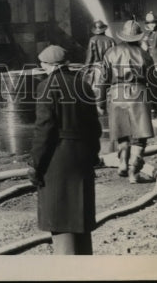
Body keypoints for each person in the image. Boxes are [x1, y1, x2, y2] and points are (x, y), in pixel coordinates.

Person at [29, 44, 102, 255]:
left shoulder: (46, 86)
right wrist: (92, 155)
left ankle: (66, 267)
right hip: (82, 158)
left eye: (42, 65)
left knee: (61, 218)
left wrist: (35, 163)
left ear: (47, 65)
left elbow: (44, 129)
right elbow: (95, 128)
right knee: (81, 219)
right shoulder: (83, 85)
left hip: (57, 160)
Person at [96, 19, 155, 183]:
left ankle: (122, 161)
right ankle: (134, 170)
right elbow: (153, 80)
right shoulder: (145, 55)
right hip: (139, 94)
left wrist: (100, 101)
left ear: (122, 35)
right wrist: (156, 102)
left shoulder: (111, 53)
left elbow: (103, 79)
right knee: (139, 137)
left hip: (116, 94)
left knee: (122, 132)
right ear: (137, 37)